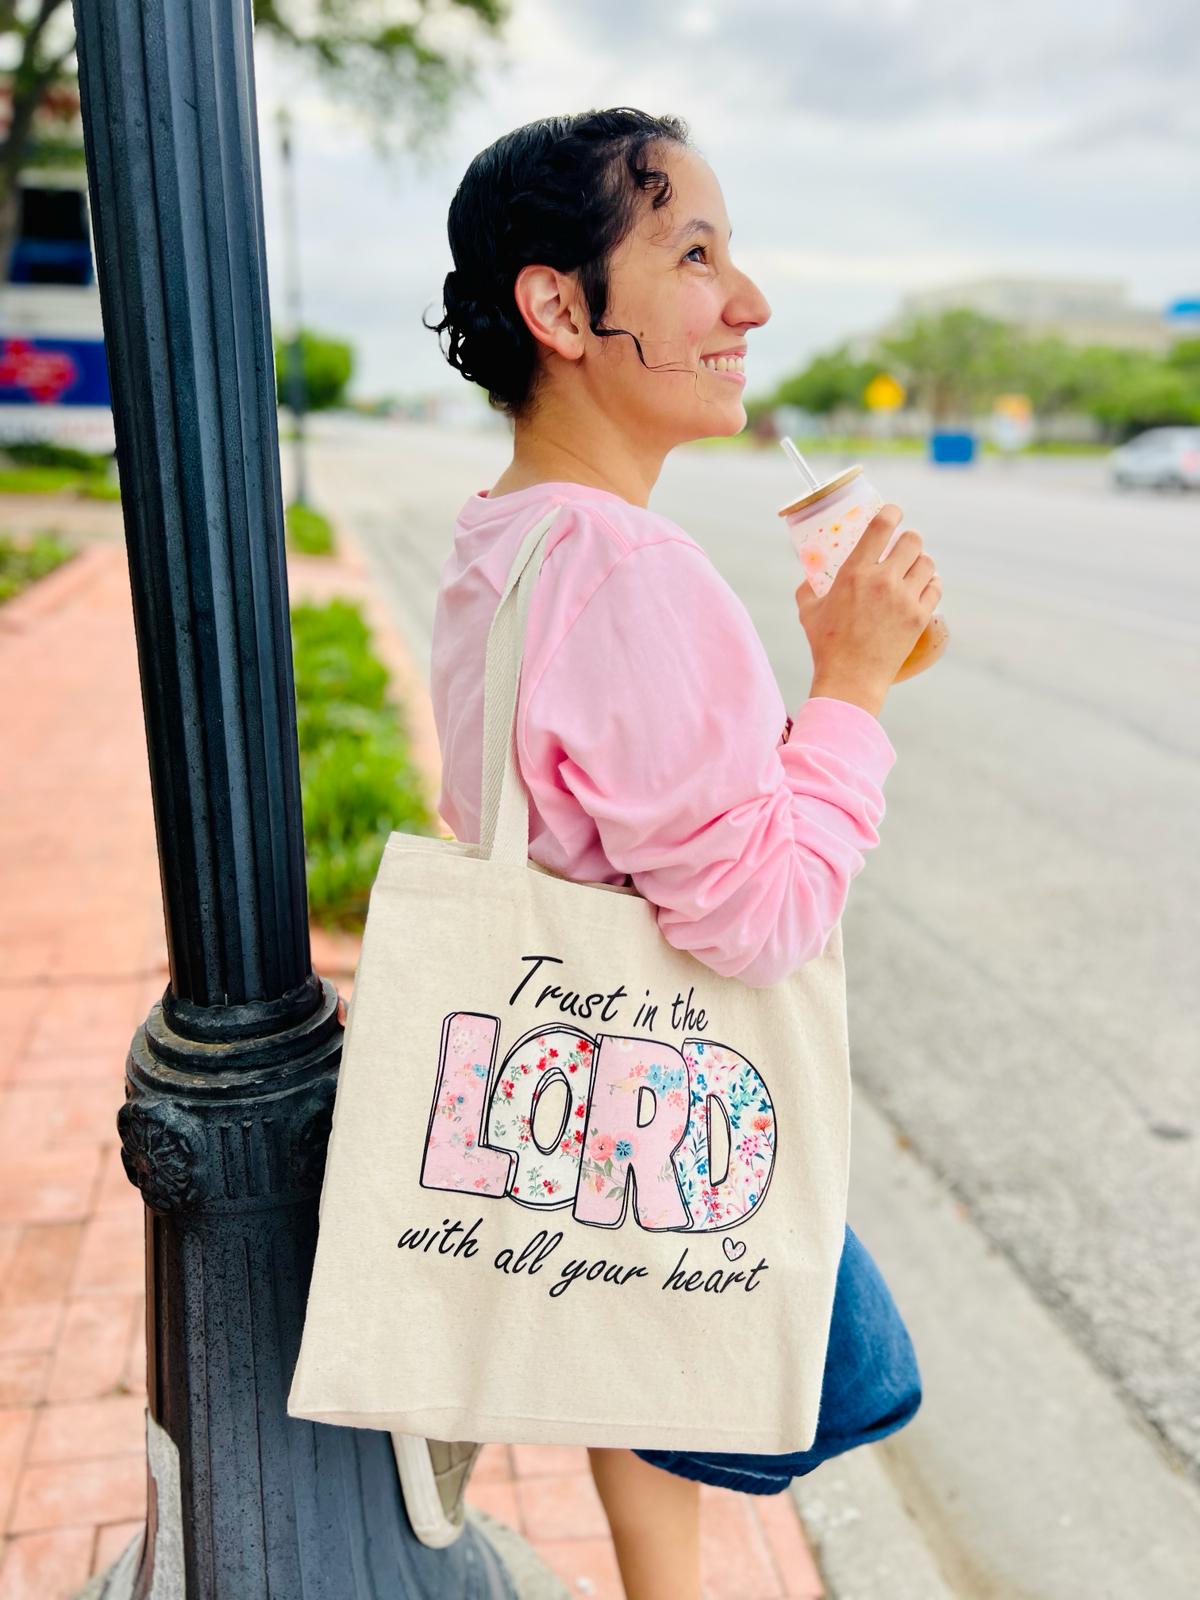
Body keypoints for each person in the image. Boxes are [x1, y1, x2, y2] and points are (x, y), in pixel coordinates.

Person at [425, 107, 932, 1600]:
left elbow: (616, 829)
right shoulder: (637, 569)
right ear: (561, 307)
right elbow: (761, 918)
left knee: (632, 1365)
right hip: (670, 1106)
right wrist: (849, 686)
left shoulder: (504, 537)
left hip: (575, 1109)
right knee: (699, 1351)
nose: (750, 303)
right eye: (695, 253)